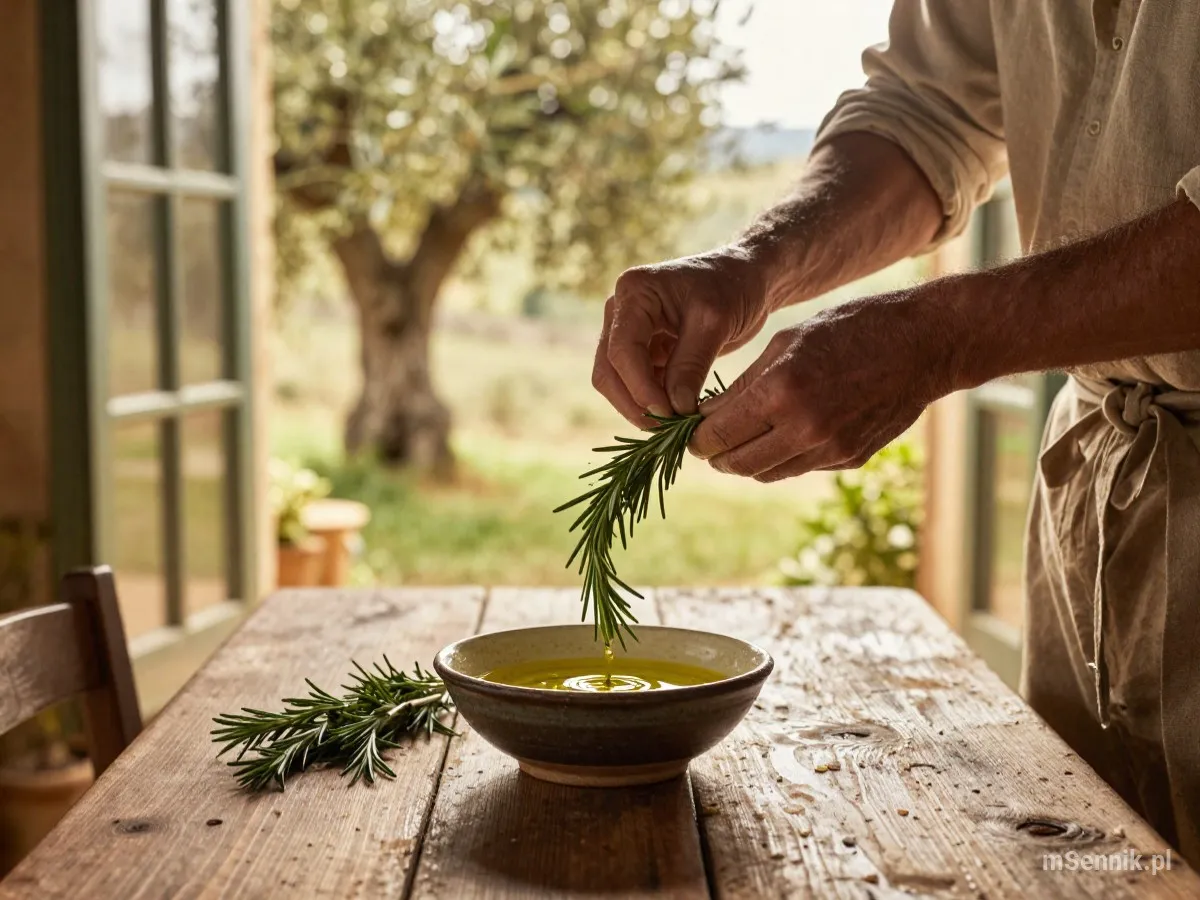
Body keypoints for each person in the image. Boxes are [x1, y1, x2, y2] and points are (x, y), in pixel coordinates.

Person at [591, 0, 1200, 860]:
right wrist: (751, 266)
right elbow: (927, 115)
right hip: (1101, 490)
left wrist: (939, 338)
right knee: (1087, 867)